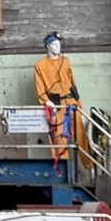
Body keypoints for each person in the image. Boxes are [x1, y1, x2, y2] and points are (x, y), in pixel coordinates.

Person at [34, 32, 79, 167]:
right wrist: (46, 101)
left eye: (59, 44)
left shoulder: (66, 61)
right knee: (59, 138)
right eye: (54, 44)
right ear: (47, 46)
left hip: (71, 102)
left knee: (80, 134)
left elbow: (73, 83)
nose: (57, 47)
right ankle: (63, 168)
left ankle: (90, 165)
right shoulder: (40, 65)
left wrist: (79, 103)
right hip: (56, 105)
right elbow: (39, 87)